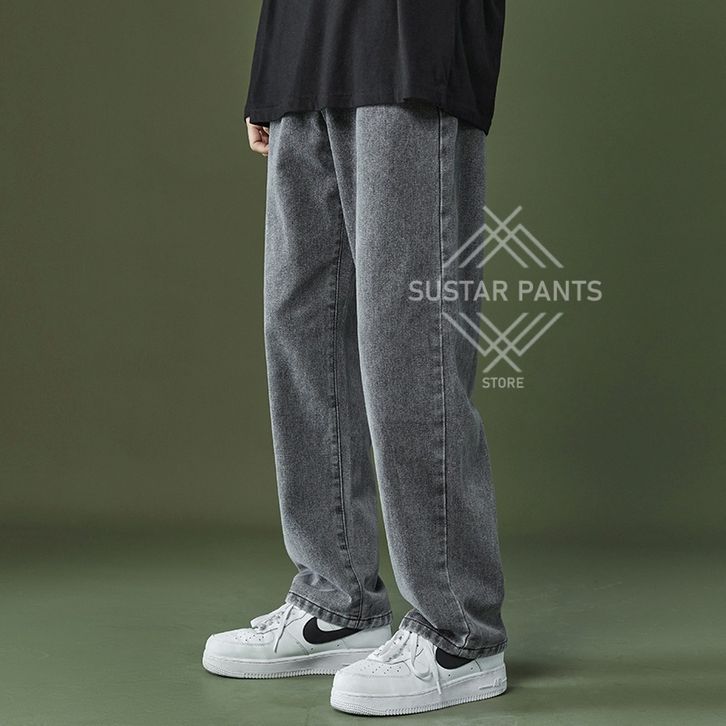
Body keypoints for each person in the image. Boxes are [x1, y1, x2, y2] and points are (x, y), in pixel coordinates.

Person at [203, 0, 508, 716]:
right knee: (300, 329)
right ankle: (335, 602)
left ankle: (459, 632)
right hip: (304, 54)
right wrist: (271, 71)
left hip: (410, 42)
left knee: (408, 338)